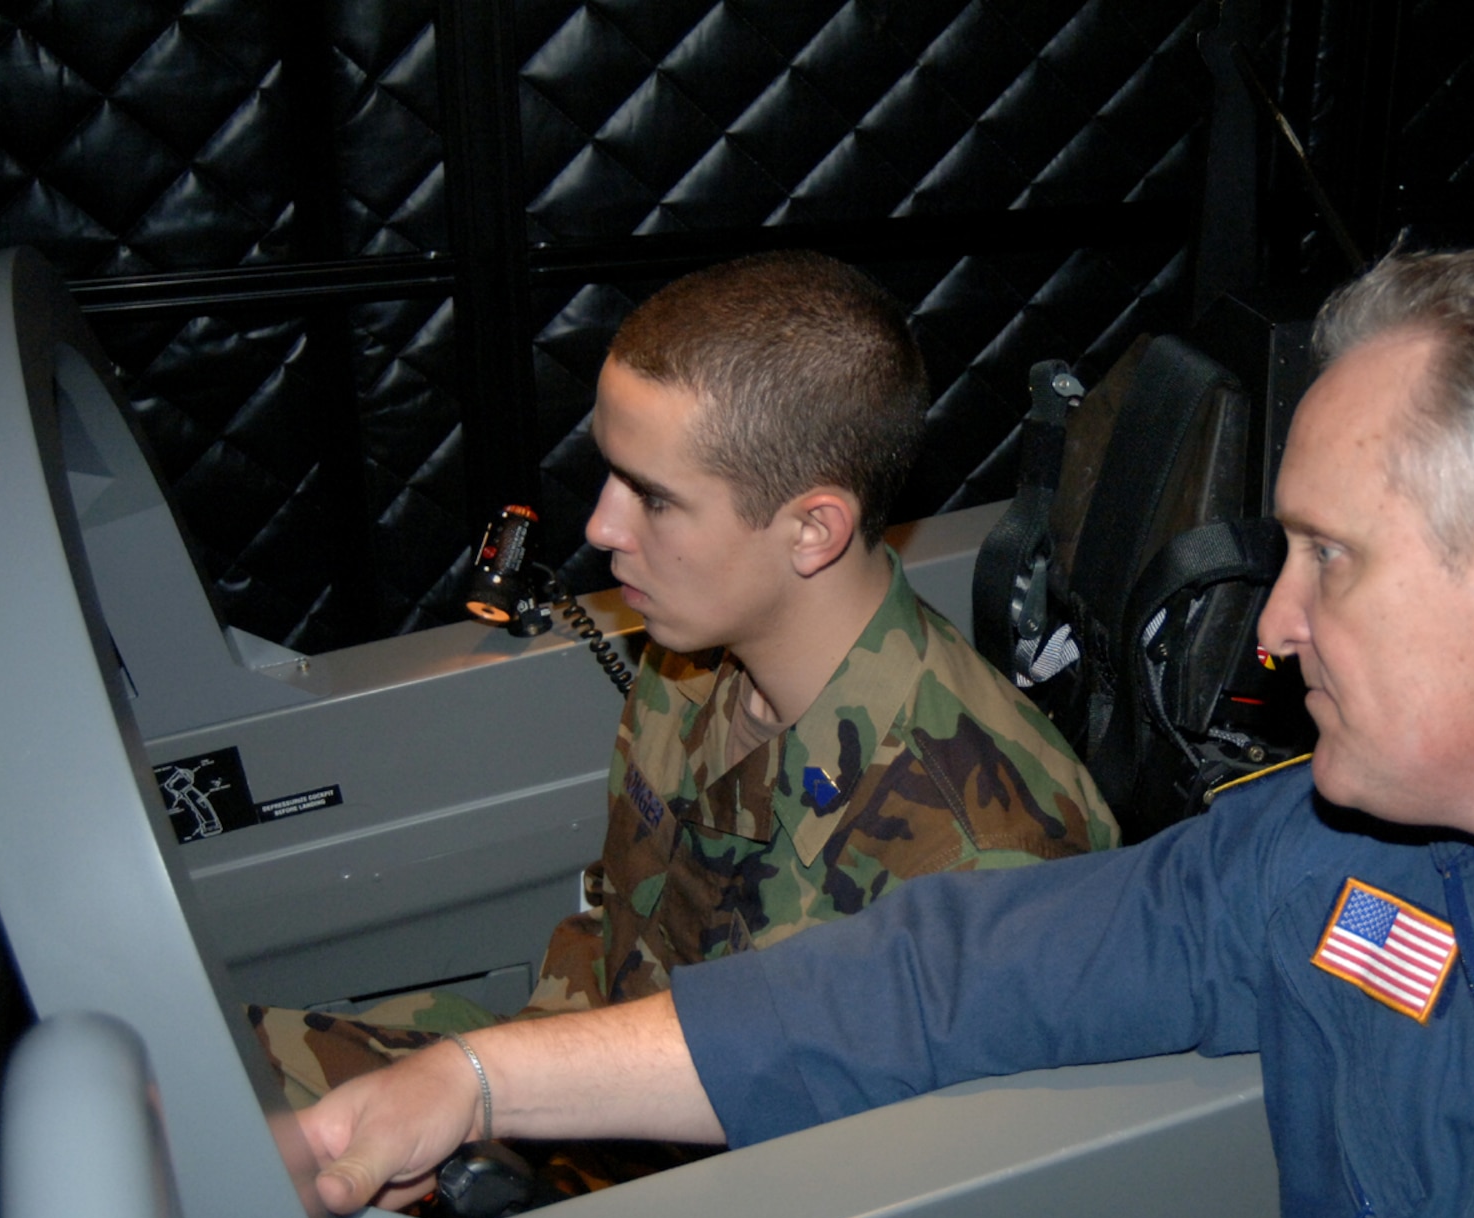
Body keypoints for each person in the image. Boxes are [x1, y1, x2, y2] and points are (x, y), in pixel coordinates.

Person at [296, 250, 1474, 1218]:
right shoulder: (1320, 863)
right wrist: (485, 1084)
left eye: (1328, 554)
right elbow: (930, 983)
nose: (1272, 624)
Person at [258, 250, 1117, 1100]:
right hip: (579, 1069)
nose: (599, 526)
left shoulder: (978, 862)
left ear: (812, 529)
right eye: (609, 474)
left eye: (654, 497)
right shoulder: (691, 653)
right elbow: (619, 940)